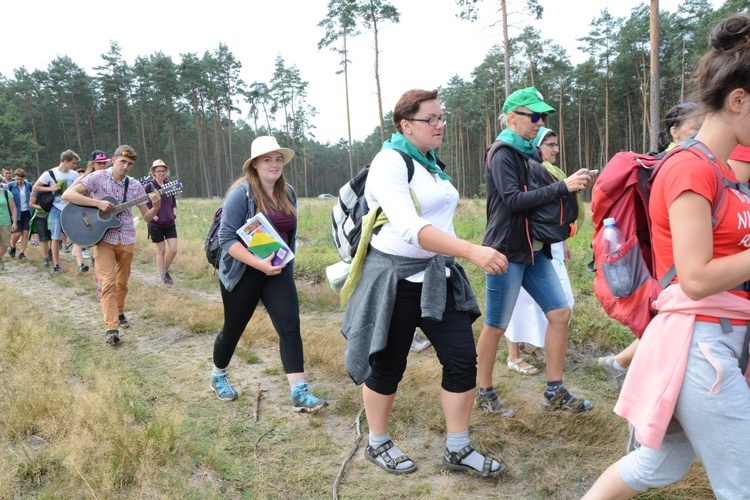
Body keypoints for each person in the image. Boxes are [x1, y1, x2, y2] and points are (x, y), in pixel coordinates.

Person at [583, 14, 750, 499]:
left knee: (657, 464)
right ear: (738, 101)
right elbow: (696, 278)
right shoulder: (690, 168)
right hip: (702, 347)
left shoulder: (723, 172)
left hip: (715, 342)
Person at [342, 89, 509, 477]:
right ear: (405, 125)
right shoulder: (391, 162)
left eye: (441, 117)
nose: (440, 125)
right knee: (387, 365)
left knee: (462, 360)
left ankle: (458, 448)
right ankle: (378, 442)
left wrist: (459, 252)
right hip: (394, 281)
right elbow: (410, 226)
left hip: (437, 277)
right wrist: (472, 250)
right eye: (430, 119)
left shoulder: (430, 162)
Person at [476, 86, 596, 413]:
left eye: (542, 116)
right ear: (512, 117)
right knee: (497, 325)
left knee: (560, 313)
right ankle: (483, 392)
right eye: (534, 116)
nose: (539, 121)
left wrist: (568, 185)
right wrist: (563, 186)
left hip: (534, 250)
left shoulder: (529, 152)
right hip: (506, 251)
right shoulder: (502, 152)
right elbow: (513, 200)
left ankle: (554, 391)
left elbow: (541, 198)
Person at [210, 135, 328, 413]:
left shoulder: (288, 193)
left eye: (278, 159)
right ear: (254, 165)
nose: (274, 164)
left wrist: (283, 264)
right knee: (233, 329)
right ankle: (218, 375)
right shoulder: (242, 194)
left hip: (278, 271)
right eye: (267, 159)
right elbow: (227, 239)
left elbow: (290, 234)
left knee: (290, 326)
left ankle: (300, 392)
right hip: (243, 273)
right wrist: (259, 264)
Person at [597, 102, 705, 392]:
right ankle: (637, 381)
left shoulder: (685, 162)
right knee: (674, 324)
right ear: (674, 131)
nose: (703, 135)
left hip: (672, 262)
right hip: (672, 263)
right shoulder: (676, 166)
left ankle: (621, 365)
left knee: (670, 324)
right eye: (696, 129)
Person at [62, 145, 162, 345]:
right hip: (102, 239)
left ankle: (121, 312)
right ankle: (111, 329)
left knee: (122, 283)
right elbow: (68, 196)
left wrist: (157, 205)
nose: (125, 167)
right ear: (113, 160)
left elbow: (146, 217)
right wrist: (97, 204)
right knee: (107, 283)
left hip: (126, 238)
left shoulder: (134, 186)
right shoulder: (97, 177)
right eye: (123, 162)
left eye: (130, 164)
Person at [503, 127, 580, 374]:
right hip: (523, 245)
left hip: (548, 245)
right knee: (519, 302)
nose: (556, 149)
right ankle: (513, 355)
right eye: (551, 145)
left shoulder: (552, 171)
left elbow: (554, 213)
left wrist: (562, 242)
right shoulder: (526, 169)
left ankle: (535, 345)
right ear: (537, 146)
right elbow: (521, 205)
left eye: (557, 145)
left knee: (559, 303)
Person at [33, 150, 83, 274]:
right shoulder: (49, 173)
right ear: (65, 161)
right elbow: (35, 187)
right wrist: (52, 188)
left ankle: (80, 264)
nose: (74, 165)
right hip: (55, 208)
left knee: (75, 235)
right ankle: (56, 264)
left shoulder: (74, 175)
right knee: (55, 237)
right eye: (73, 162)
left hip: (71, 208)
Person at [72, 150, 111, 298]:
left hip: (104, 219)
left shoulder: (110, 178)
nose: (102, 166)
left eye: (104, 163)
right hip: (88, 217)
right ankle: (101, 286)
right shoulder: (85, 178)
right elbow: (68, 195)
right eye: (99, 163)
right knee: (97, 252)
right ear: (93, 164)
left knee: (102, 254)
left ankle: (100, 278)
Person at [144, 159, 178, 286]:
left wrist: (174, 212)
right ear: (154, 172)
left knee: (173, 249)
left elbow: (173, 201)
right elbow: (143, 204)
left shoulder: (169, 184)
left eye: (163, 171)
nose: (161, 173)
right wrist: (154, 217)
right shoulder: (149, 186)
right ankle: (162, 278)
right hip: (156, 224)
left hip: (170, 222)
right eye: (158, 171)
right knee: (161, 251)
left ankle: (165, 271)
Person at [7, 168, 34, 260]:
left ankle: (22, 253)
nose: (19, 181)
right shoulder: (10, 186)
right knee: (17, 233)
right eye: (18, 179)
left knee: (25, 233)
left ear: (24, 178)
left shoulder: (29, 186)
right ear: (15, 177)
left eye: (21, 179)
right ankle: (12, 246)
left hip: (27, 212)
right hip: (16, 212)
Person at [28, 190, 52, 267]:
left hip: (52, 216)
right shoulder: (36, 190)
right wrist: (43, 207)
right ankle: (45, 258)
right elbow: (31, 204)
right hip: (40, 216)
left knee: (53, 237)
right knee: (43, 238)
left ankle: (50, 251)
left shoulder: (55, 188)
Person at [0, 183, 18, 271]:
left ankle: (0, 258)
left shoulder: (7, 193)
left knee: (5, 245)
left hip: (5, 222)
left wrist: (14, 222)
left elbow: (13, 209)